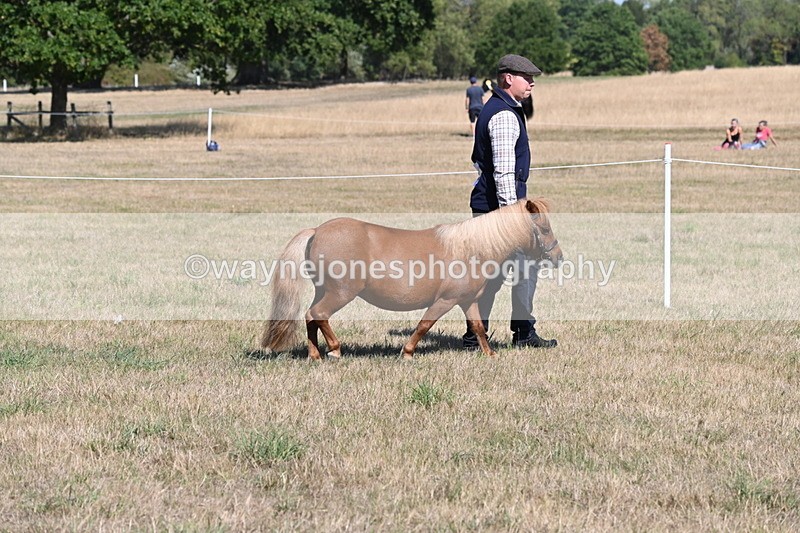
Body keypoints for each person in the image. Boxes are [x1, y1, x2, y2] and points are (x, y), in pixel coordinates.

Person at [462, 54, 557, 350]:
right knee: (500, 273)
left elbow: (481, 165)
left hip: (491, 207)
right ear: (507, 78)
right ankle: (507, 334)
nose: (531, 83)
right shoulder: (503, 115)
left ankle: (484, 335)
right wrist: (513, 218)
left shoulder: (500, 108)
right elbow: (503, 173)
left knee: (496, 273)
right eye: (525, 77)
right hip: (501, 210)